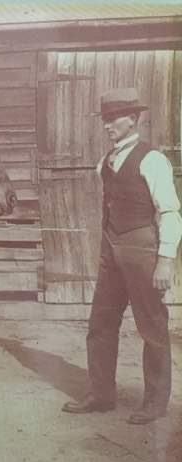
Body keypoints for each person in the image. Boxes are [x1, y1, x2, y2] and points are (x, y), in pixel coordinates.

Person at [62, 87, 182, 424]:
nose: (107, 125)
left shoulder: (152, 159)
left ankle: (156, 402)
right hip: (110, 251)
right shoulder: (106, 162)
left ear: (134, 119)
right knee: (100, 324)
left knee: (152, 326)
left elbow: (171, 211)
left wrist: (165, 259)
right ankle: (101, 395)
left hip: (143, 250)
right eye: (105, 118)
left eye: (114, 118)